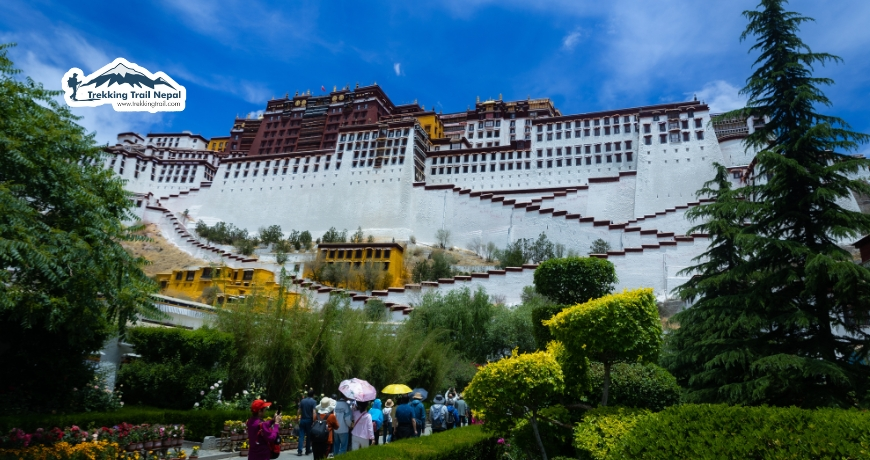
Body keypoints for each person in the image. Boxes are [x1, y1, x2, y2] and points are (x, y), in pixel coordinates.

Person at [297, 389, 317, 456]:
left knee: (301, 436)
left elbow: (299, 410)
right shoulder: (313, 402)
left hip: (302, 420)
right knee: (308, 436)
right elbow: (314, 412)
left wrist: (297, 418)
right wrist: (314, 421)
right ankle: (307, 450)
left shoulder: (302, 401)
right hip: (309, 420)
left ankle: (299, 451)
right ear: (313, 395)